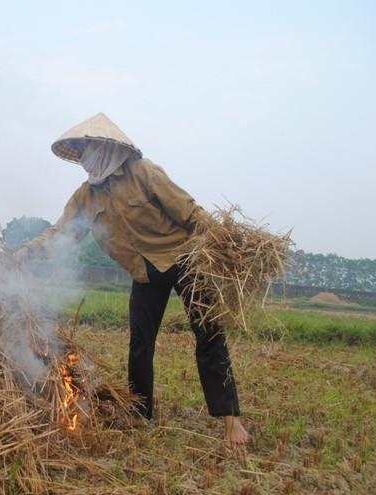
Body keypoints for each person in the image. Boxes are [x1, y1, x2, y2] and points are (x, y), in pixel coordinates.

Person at [15, 113, 249, 446]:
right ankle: (140, 412)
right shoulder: (86, 196)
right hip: (143, 271)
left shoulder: (144, 173)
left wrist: (227, 246)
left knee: (209, 335)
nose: (83, 157)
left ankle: (231, 421)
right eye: (79, 151)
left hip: (186, 259)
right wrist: (29, 250)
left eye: (86, 148)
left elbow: (190, 213)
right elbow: (62, 231)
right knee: (140, 343)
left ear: (105, 147)